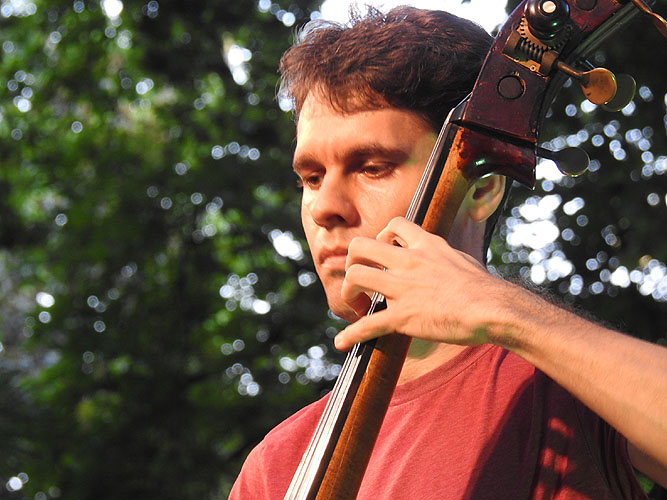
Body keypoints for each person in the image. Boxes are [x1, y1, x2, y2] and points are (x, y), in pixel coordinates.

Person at [230, 6, 667, 499]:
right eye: (311, 178)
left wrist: (504, 311)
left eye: (372, 167)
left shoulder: (568, 382)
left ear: (482, 189)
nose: (324, 207)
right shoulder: (275, 468)